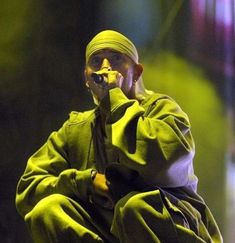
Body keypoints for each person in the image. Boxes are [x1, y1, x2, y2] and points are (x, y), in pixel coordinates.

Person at [15, 30, 223, 243]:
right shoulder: (75, 129)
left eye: (116, 58)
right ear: (87, 78)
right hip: (112, 231)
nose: (106, 67)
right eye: (96, 60)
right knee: (48, 210)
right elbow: (29, 188)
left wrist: (116, 98)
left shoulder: (163, 110)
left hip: (168, 226)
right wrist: (87, 182)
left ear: (137, 72)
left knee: (134, 207)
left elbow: (162, 165)